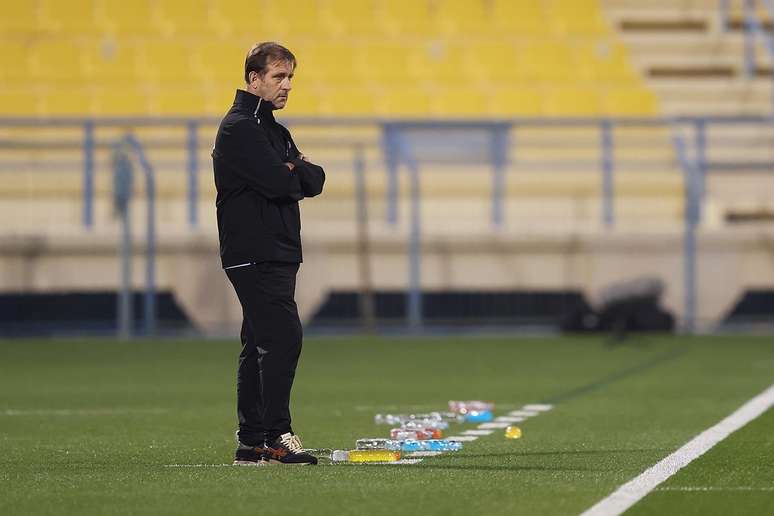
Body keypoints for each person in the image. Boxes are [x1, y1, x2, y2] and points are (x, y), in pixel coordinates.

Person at [212, 42, 325, 466]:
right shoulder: (240, 127)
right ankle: (278, 434)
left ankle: (252, 441)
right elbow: (282, 183)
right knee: (283, 337)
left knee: (259, 340)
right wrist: (293, 170)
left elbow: (315, 178)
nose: (287, 85)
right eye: (279, 77)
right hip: (254, 251)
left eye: (291, 77)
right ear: (253, 79)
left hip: (274, 251)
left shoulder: (272, 129)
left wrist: (295, 170)